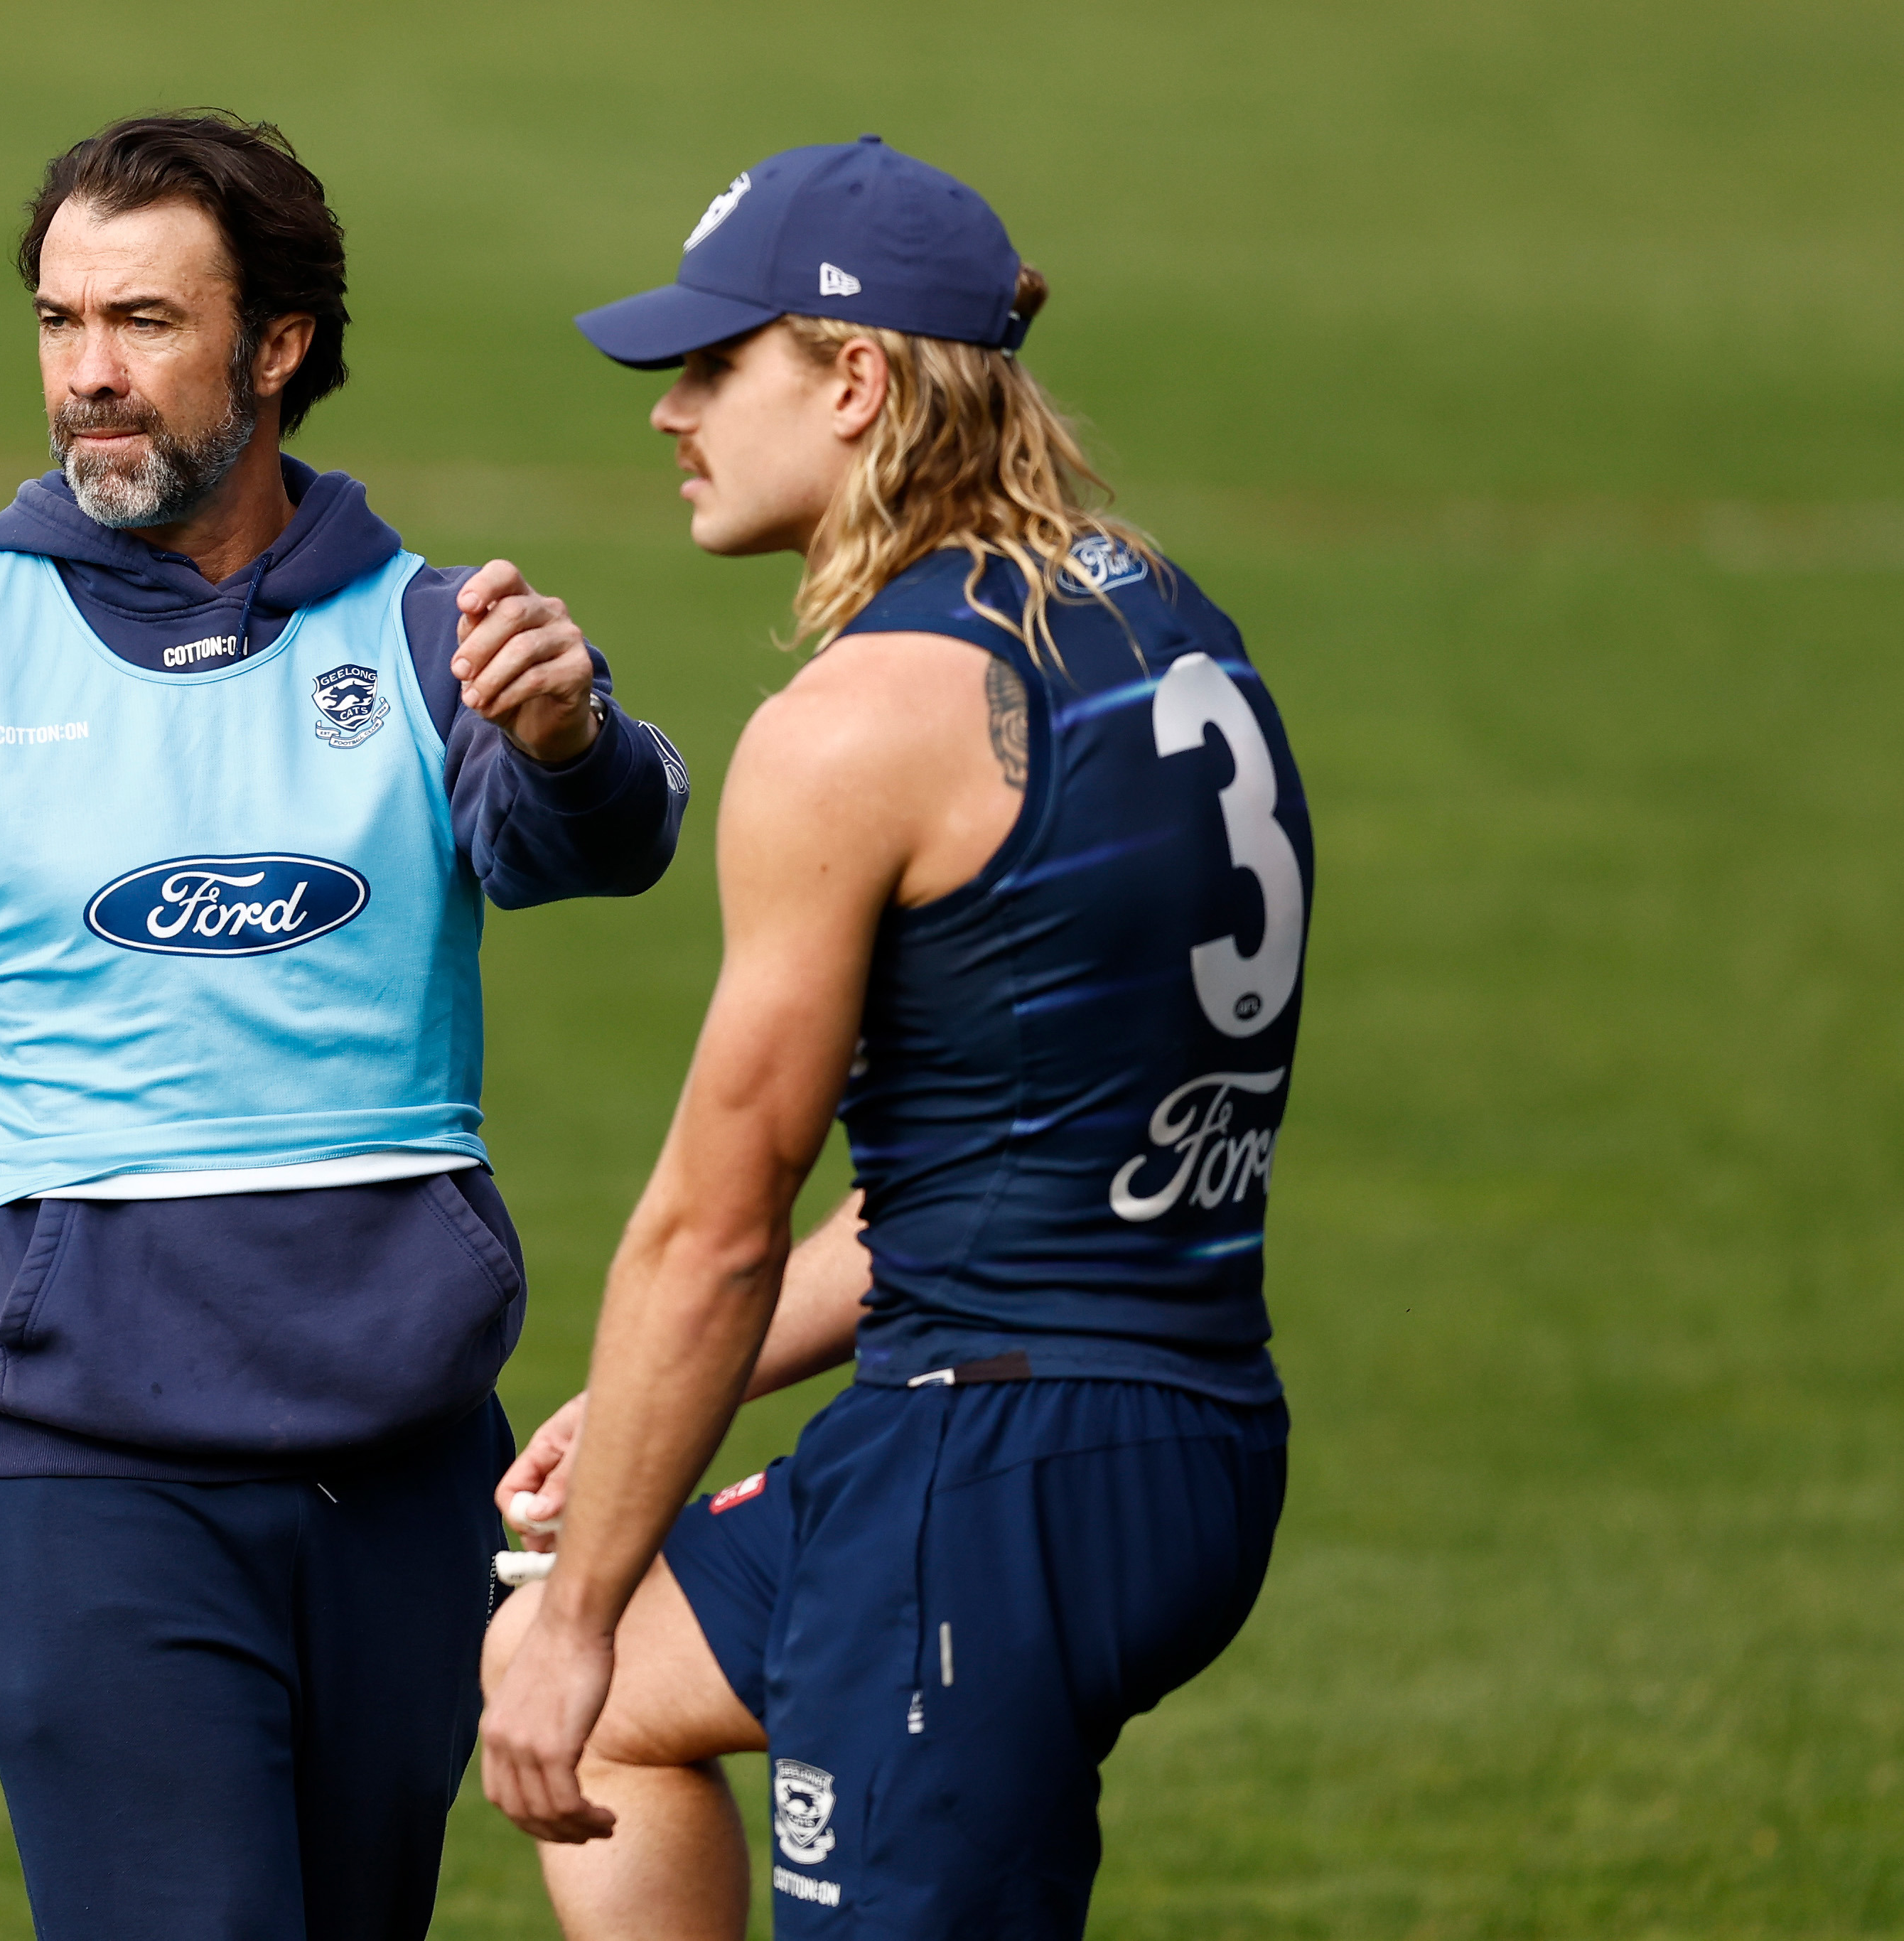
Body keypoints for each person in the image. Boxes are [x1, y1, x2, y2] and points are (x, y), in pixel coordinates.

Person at [0, 112, 689, 1941]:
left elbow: (590, 845)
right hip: (86, 1483)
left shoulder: (430, 638)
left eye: (144, 322)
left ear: (278, 345)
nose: (88, 372)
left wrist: (571, 738)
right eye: (61, 320)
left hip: (408, 1473)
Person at [476, 136, 1310, 1938]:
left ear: (854, 378)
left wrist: (579, 1608)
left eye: (715, 366)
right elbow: (995, 1164)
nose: (670, 412)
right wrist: (643, 1424)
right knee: (610, 1706)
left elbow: (714, 1227)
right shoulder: (1164, 626)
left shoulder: (861, 723)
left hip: (988, 1479)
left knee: (565, 1664)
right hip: (1185, 1435)